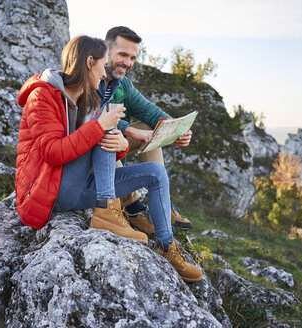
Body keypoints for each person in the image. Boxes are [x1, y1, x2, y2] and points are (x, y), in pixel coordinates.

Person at [15, 35, 202, 282]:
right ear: (90, 62)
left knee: (156, 173)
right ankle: (107, 211)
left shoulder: (89, 97)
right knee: (100, 127)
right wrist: (101, 126)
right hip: (47, 190)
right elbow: (52, 153)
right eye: (104, 65)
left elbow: (108, 142)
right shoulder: (42, 96)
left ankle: (167, 246)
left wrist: (123, 144)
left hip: (78, 187)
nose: (105, 74)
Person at [98, 26, 194, 235]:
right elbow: (91, 116)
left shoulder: (123, 84)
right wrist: (130, 131)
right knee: (112, 134)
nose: (128, 63)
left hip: (111, 149)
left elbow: (150, 111)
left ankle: (162, 203)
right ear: (105, 49)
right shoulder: (89, 74)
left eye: (132, 57)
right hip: (87, 153)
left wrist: (177, 129)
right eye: (123, 54)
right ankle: (133, 208)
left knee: (153, 126)